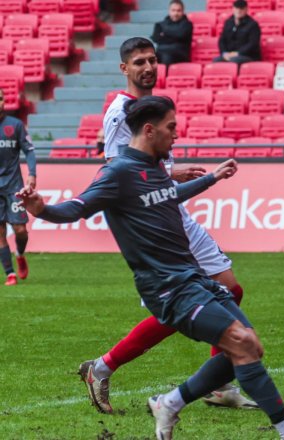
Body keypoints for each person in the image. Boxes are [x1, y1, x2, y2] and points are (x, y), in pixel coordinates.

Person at [18, 96, 284, 440]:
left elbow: (169, 196)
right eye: (171, 128)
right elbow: (76, 207)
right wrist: (41, 209)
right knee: (241, 341)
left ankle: (171, 403)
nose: (176, 135)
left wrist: (212, 178)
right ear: (149, 130)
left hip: (192, 276)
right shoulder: (117, 173)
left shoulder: (154, 168)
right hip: (166, 287)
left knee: (251, 347)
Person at [81, 37, 255, 415]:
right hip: (156, 222)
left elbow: (142, 165)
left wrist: (170, 171)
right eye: (139, 61)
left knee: (229, 291)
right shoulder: (119, 113)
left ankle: (219, 385)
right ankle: (102, 367)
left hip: (174, 212)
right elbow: (116, 173)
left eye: (152, 60)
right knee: (188, 306)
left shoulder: (150, 107)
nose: (147, 66)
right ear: (124, 68)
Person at [0, 88, 35, 286]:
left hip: (14, 186)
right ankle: (9, 273)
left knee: (20, 230)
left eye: (0, 98)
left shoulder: (15, 125)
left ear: (4, 101)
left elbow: (29, 151)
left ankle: (20, 254)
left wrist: (32, 174)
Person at [215, 0, 261, 64]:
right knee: (217, 60)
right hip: (230, 55)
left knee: (234, 60)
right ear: (233, 9)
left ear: (246, 9)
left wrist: (238, 53)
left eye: (241, 9)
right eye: (236, 8)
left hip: (248, 55)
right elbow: (222, 40)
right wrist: (224, 53)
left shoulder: (252, 25)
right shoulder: (228, 23)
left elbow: (253, 44)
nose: (238, 11)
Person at [151, 0, 193, 65]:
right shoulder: (160, 24)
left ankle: (167, 75)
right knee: (148, 57)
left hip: (180, 55)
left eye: (178, 10)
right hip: (161, 52)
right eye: (173, 10)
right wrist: (175, 36)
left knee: (167, 56)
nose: (176, 13)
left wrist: (164, 33)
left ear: (183, 11)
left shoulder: (188, 25)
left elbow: (180, 34)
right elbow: (155, 38)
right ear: (169, 11)